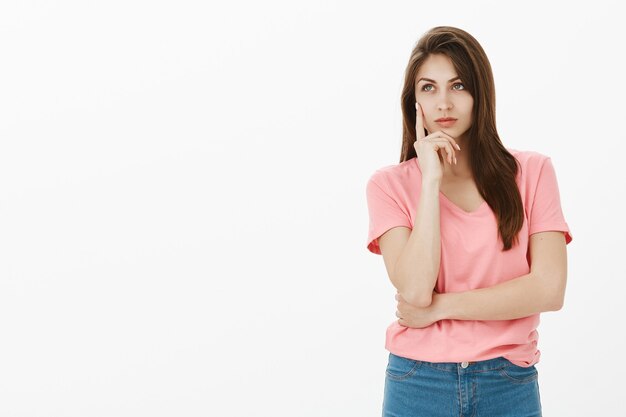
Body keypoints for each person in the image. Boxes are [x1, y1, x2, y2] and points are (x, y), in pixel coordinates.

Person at [365, 26, 572, 417]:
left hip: (507, 381)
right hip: (417, 382)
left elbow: (549, 288)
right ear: (414, 103)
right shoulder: (388, 186)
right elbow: (414, 290)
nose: (443, 102)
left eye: (458, 85)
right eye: (428, 88)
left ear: (480, 94)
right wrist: (430, 181)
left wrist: (441, 309)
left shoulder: (533, 172)